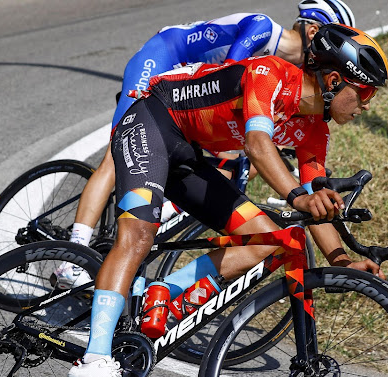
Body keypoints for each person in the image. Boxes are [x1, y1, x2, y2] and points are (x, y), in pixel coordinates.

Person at [67, 23, 388, 377]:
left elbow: (314, 201)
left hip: (186, 154)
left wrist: (341, 259)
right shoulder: (268, 73)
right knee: (138, 236)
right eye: (365, 91)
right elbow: (257, 143)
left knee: (270, 239)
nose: (367, 104)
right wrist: (295, 197)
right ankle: (95, 358)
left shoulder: (315, 131)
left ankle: (165, 291)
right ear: (335, 79)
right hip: (149, 123)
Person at [54, 0, 358, 288]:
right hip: (165, 58)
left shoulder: (294, 74)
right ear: (315, 33)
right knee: (115, 153)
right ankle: (73, 253)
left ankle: (164, 209)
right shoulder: (263, 30)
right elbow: (227, 79)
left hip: (188, 88)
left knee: (238, 167)